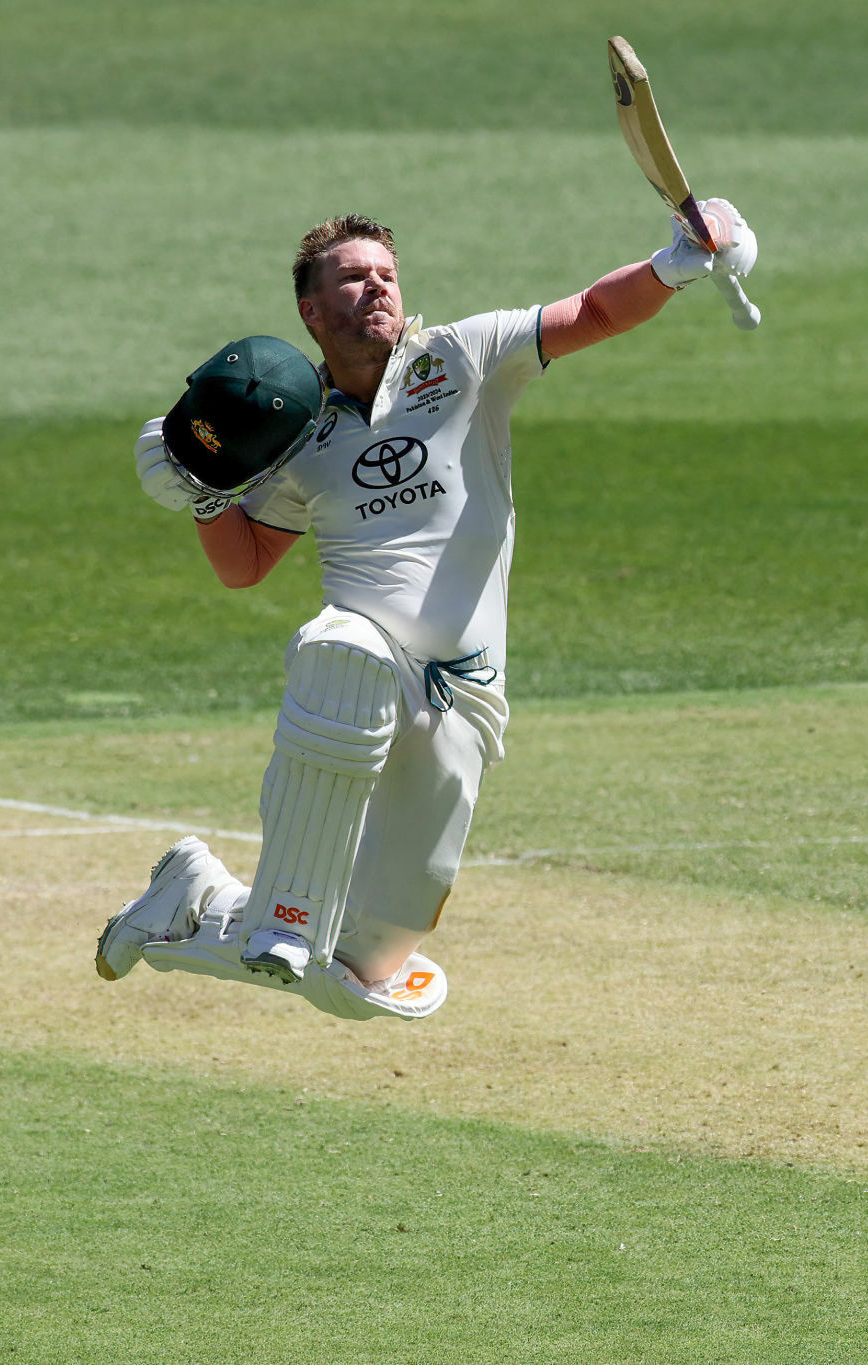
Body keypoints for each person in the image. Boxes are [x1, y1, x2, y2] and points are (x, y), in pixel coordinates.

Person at [93, 201, 758, 1021]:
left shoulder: (464, 356)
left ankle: (200, 895)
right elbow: (245, 565)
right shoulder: (293, 431)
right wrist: (201, 499)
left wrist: (672, 267)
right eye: (351, 277)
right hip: (360, 664)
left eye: (386, 274)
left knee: (361, 977)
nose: (375, 286)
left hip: (465, 690)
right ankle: (285, 913)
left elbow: (591, 311)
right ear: (311, 309)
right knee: (346, 651)